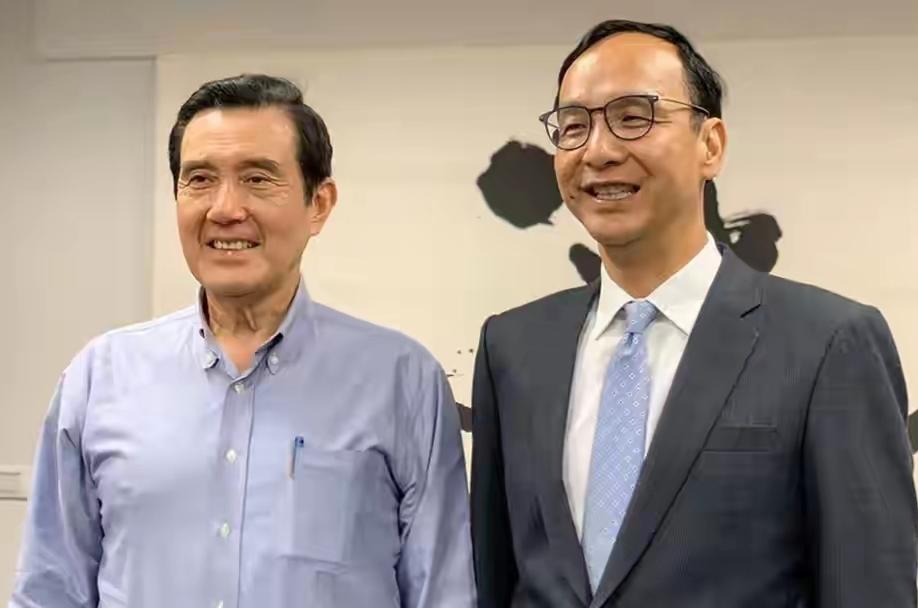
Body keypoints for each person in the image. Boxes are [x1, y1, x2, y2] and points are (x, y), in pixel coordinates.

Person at [470, 20, 916, 607]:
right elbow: (494, 576)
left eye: (633, 117)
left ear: (711, 145)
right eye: (574, 126)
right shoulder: (513, 347)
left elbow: (871, 586)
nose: (598, 151)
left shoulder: (829, 342)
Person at [12, 74, 475, 608]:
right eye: (200, 179)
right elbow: (50, 591)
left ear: (319, 203)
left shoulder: (401, 379)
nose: (225, 208)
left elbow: (443, 593)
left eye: (257, 179)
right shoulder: (101, 377)